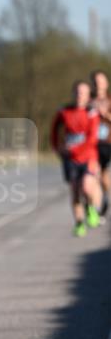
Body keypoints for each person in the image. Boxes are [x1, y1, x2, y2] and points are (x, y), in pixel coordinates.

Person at [51, 80, 101, 236]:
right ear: (73, 93)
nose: (80, 95)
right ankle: (79, 223)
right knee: (75, 191)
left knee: (86, 187)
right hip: (70, 159)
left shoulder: (91, 113)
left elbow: (92, 138)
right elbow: (54, 131)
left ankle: (90, 207)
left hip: (88, 156)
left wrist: (75, 149)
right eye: (78, 92)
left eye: (83, 93)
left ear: (88, 96)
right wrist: (57, 148)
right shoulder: (64, 111)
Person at [90, 69, 111, 216]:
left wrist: (106, 114)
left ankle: (106, 197)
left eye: (101, 82)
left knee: (104, 174)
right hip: (91, 144)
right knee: (94, 173)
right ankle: (95, 207)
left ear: (106, 83)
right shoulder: (88, 102)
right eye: (96, 82)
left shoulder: (110, 101)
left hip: (108, 143)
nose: (98, 85)